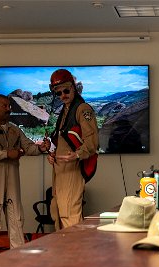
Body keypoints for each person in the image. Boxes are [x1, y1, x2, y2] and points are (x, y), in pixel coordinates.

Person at [0, 94, 51, 261]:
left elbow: (29, 148)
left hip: (12, 182)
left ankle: (19, 266)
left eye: (9, 105)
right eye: (4, 106)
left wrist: (42, 148)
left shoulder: (15, 130)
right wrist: (7, 153)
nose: (9, 109)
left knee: (16, 221)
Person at [47, 69, 99, 230]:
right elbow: (63, 138)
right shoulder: (65, 110)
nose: (63, 95)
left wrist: (77, 154)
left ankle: (74, 253)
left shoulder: (82, 109)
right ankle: (63, 251)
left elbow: (92, 141)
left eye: (66, 90)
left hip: (72, 168)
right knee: (57, 210)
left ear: (74, 88)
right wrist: (53, 154)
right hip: (59, 169)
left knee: (69, 213)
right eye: (59, 93)